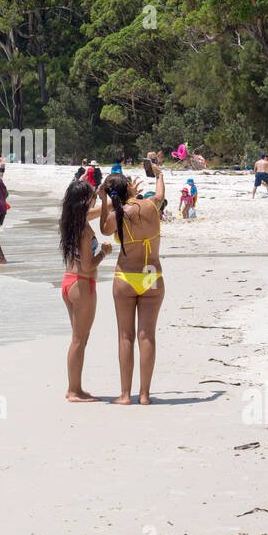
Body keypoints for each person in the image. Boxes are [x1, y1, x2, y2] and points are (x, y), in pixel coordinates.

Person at [99, 171, 165, 405]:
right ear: (129, 185)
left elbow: (104, 230)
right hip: (151, 275)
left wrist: (103, 201)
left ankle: (125, 395)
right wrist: (159, 175)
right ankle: (145, 395)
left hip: (125, 275)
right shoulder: (150, 206)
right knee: (147, 335)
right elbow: (159, 195)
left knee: (125, 336)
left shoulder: (117, 214)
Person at [59, 180, 112, 402]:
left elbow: (101, 211)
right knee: (79, 340)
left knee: (78, 339)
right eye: (89, 196)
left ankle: (76, 387)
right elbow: (89, 265)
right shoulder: (83, 229)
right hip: (82, 283)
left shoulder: (71, 221)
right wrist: (104, 252)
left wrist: (103, 197)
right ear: (83, 201)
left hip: (69, 282)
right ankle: (74, 390)